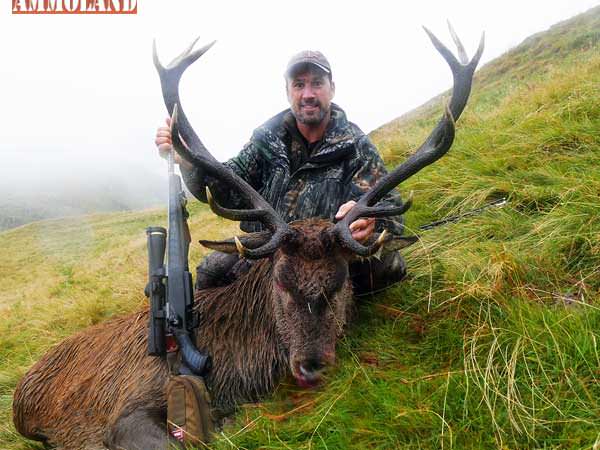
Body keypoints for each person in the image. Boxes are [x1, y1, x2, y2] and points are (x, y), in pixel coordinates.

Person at [155, 50, 406, 294]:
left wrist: (370, 221)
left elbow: (391, 209)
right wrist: (190, 162)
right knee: (211, 272)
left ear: (332, 88)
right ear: (288, 92)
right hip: (271, 250)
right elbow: (226, 190)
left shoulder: (356, 147)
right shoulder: (267, 140)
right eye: (299, 85)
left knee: (388, 265)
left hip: (328, 254)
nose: (308, 94)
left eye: (317, 83)